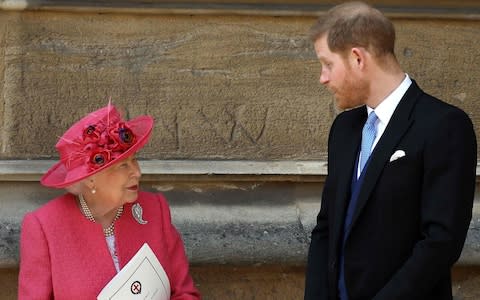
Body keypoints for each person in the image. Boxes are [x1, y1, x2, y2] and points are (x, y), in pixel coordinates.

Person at [304, 2, 477, 299]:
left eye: (328, 64)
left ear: (358, 58)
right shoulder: (344, 129)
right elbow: (326, 229)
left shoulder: (444, 125)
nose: (323, 77)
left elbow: (440, 242)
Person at [18, 104, 201, 299]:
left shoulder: (155, 210)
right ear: (90, 179)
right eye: (123, 165)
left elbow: (185, 293)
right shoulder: (44, 227)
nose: (137, 173)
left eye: (135, 160)